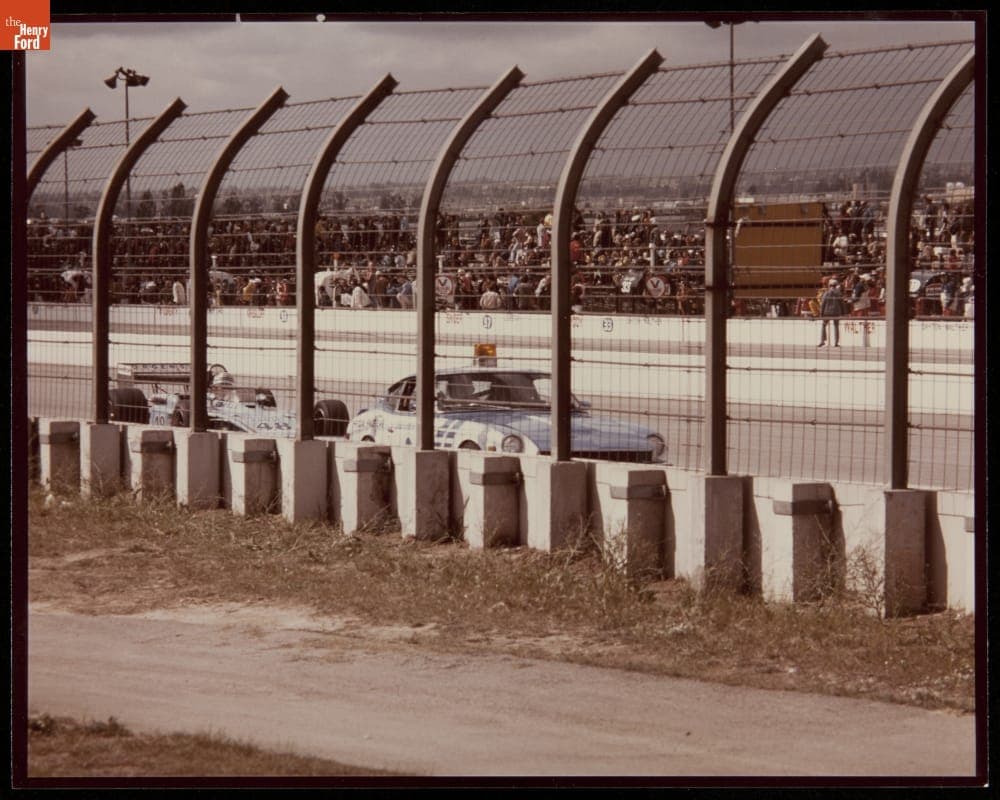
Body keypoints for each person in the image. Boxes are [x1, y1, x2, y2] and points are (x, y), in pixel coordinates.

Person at [818, 278, 845, 347]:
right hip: (836, 311)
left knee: (824, 325)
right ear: (836, 285)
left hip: (827, 312)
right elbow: (842, 303)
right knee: (836, 326)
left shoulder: (826, 293)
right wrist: (843, 312)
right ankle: (836, 342)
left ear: (829, 285)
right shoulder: (838, 293)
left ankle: (822, 340)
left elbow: (823, 303)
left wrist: (821, 312)